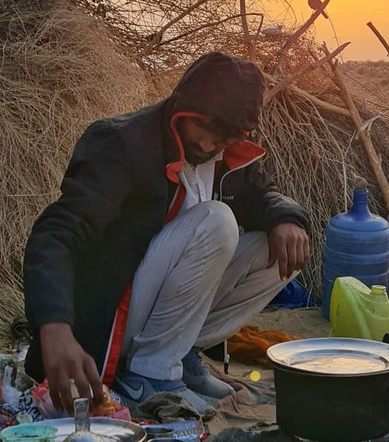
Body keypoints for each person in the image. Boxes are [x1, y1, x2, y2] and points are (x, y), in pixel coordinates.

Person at [23, 52, 310, 414]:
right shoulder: (120, 144)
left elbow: (263, 195)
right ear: (183, 106)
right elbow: (56, 235)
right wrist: (54, 327)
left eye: (223, 137)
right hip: (111, 320)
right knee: (217, 221)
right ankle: (150, 375)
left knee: (283, 249)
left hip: (159, 314)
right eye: (203, 127)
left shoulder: (226, 155)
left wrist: (288, 218)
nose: (207, 145)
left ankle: (179, 354)